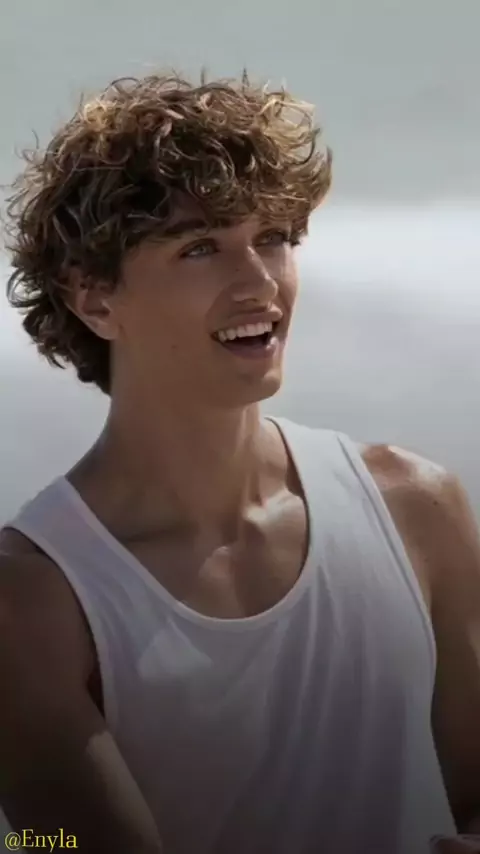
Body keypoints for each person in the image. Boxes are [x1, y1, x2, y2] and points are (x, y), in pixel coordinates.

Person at [1, 72, 479, 854]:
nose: (260, 283)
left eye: (274, 238)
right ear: (94, 299)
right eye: (201, 248)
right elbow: (58, 844)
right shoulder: (34, 602)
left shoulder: (417, 508)